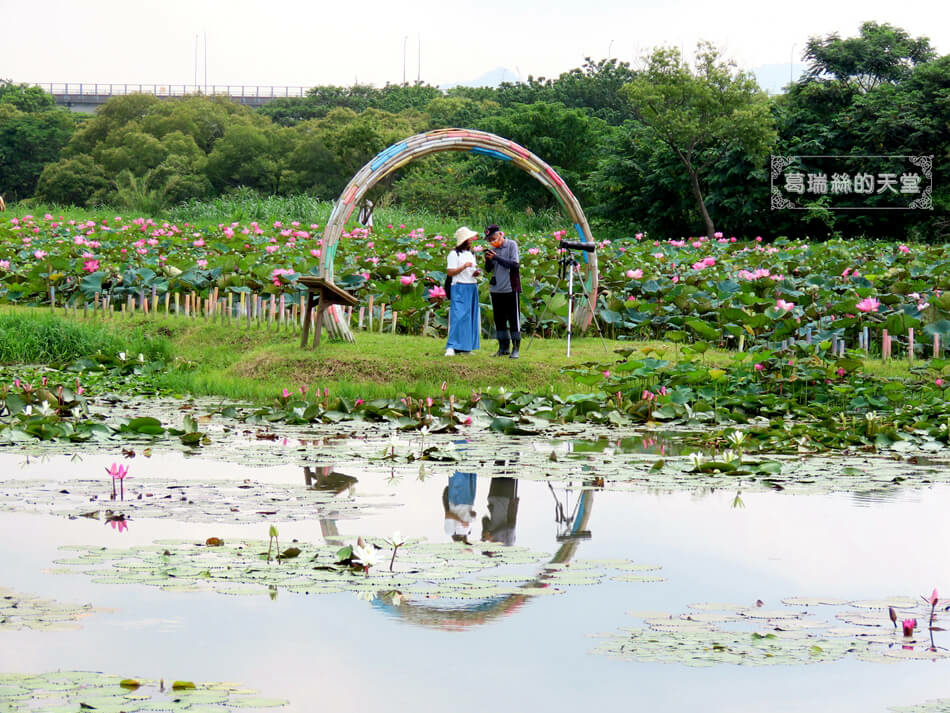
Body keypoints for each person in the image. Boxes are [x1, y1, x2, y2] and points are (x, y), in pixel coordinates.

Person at [484, 224, 521, 358]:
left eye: (492, 238)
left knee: (513, 320)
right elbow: (489, 269)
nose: (491, 241)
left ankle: (515, 348)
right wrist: (488, 260)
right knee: (499, 320)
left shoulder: (511, 245)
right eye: (489, 240)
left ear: (500, 234)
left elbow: (514, 265)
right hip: (496, 289)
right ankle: (503, 348)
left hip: (510, 288)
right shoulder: (492, 249)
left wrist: (496, 258)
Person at [444, 226, 481, 357]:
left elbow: (471, 272)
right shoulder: (454, 254)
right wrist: (464, 266)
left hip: (471, 286)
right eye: (469, 238)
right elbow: (450, 272)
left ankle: (466, 346)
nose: (472, 240)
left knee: (470, 316)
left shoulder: (471, 254)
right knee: (458, 316)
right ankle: (451, 346)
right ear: (464, 240)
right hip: (459, 286)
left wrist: (476, 273)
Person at [443, 471, 477, 543]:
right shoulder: (468, 532)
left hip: (457, 501)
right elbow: (472, 514)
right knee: (472, 474)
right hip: (469, 502)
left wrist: (461, 521)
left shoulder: (450, 532)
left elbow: (448, 515)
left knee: (460, 475)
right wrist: (473, 515)